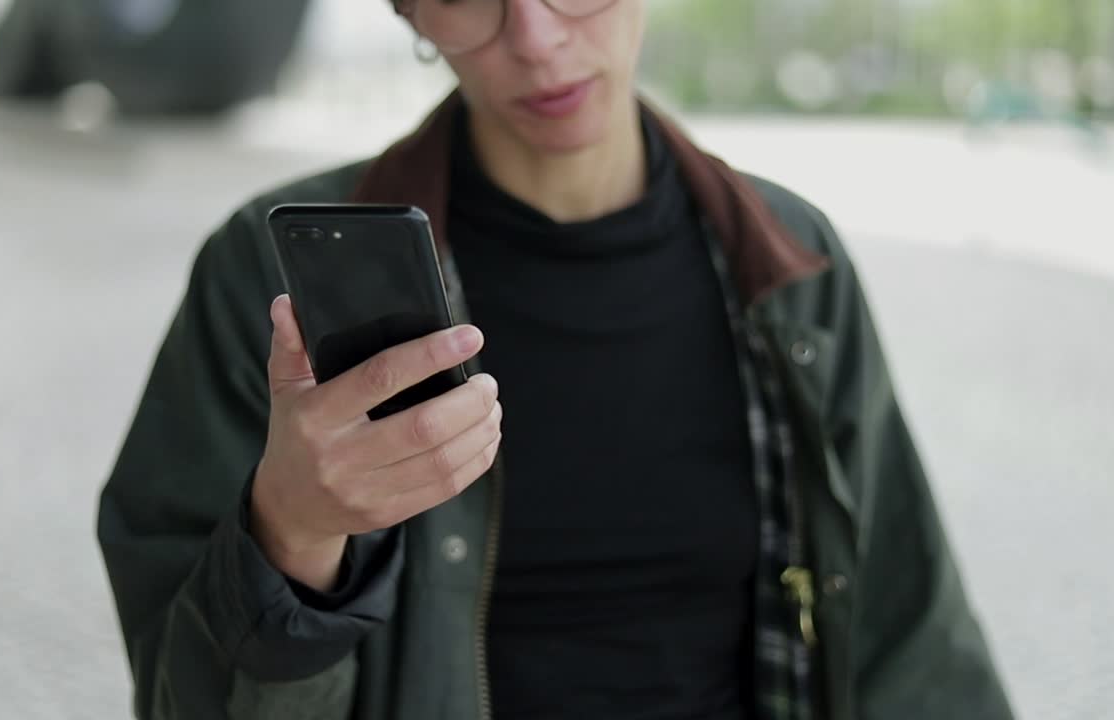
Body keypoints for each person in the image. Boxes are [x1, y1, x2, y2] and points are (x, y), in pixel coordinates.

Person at [96, 1, 1015, 719]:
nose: (534, 37)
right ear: (412, 13)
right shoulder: (267, 280)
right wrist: (292, 534)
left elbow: (907, 639)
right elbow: (184, 701)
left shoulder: (788, 260)